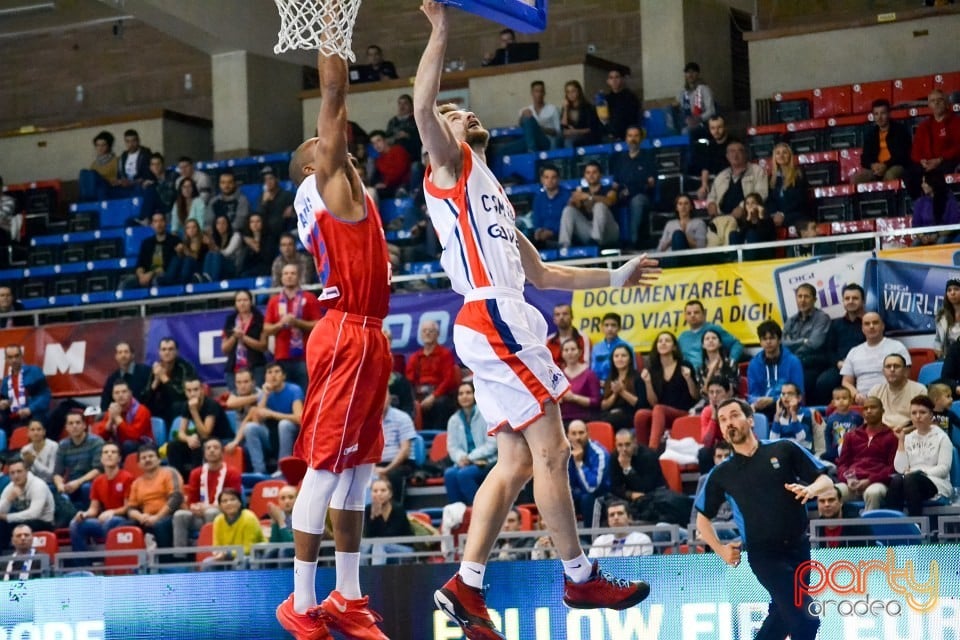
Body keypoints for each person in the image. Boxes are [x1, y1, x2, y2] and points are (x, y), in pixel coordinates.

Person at [415, 3, 656, 635]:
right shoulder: (449, 169)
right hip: (493, 315)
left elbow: (545, 275)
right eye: (452, 112)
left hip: (494, 315)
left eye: (460, 112)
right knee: (551, 454)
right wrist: (441, 30)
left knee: (517, 463)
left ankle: (466, 586)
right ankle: (580, 579)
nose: (462, 114)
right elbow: (421, 109)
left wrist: (613, 277)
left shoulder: (489, 191)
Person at [274, 42, 394, 640]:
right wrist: (331, 33)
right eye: (321, 146)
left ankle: (347, 595)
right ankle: (300, 600)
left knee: (358, 471)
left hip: (367, 334)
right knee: (325, 468)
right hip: (346, 331)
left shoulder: (344, 194)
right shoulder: (328, 188)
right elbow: (334, 97)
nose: (334, 146)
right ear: (310, 168)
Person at [695, 399, 832, 640]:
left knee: (781, 618)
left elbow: (826, 480)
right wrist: (721, 550)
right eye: (723, 419)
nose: (729, 423)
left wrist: (811, 490)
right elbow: (702, 520)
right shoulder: (722, 474)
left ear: (750, 420)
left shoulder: (783, 448)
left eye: (734, 415)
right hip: (765, 555)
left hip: (800, 548)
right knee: (806, 619)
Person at [889, 395, 954, 516]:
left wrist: (920, 473)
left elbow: (944, 469)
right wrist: (901, 442)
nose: (918, 416)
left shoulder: (942, 438)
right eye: (914, 413)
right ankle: (894, 527)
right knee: (896, 480)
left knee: (910, 479)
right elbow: (900, 468)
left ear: (931, 415)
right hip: (911, 480)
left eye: (922, 412)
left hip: (936, 482)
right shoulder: (908, 438)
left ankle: (916, 525)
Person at [172, 439, 242, 552]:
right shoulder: (196, 473)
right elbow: (191, 501)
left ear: (222, 452)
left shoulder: (232, 472)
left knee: (211, 512)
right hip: (200, 515)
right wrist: (195, 507)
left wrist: (209, 507)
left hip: (224, 515)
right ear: (204, 453)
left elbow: (234, 502)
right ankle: (180, 558)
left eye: (215, 447)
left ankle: (212, 553)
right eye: (208, 448)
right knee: (180, 515)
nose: (211, 450)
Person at [263, 263, 321, 394]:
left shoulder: (309, 298)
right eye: (286, 274)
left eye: (293, 273)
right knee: (284, 393)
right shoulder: (274, 301)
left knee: (307, 393)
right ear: (281, 277)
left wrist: (297, 322)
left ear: (298, 276)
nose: (289, 276)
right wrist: (280, 324)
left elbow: (318, 325)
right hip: (282, 356)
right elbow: (266, 329)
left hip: (305, 357)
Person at [635, 332, 698, 449]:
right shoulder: (653, 370)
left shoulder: (684, 366)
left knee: (659, 409)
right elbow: (653, 403)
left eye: (667, 341)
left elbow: (695, 396)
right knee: (641, 414)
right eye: (660, 341)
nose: (663, 343)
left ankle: (652, 451)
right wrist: (648, 383)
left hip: (682, 412)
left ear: (674, 347)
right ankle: (641, 451)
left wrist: (689, 379)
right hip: (660, 414)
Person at [69, 443, 133, 555]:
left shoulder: (127, 477)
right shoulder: (98, 481)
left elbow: (128, 508)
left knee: (110, 521)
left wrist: (112, 512)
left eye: (113, 452)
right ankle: (82, 566)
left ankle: (111, 561)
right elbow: (93, 509)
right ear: (101, 459)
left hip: (123, 519)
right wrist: (84, 514)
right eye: (106, 452)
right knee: (75, 524)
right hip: (104, 519)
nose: (109, 455)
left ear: (119, 458)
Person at [834, 397, 896, 511]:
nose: (868, 411)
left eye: (873, 407)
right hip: (852, 483)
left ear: (882, 411)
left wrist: (870, 480)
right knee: (833, 492)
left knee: (873, 493)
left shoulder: (891, 437)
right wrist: (847, 478)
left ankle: (870, 528)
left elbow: (892, 468)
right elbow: (842, 464)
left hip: (877, 482)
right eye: (866, 408)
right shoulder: (851, 436)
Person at [165, 377, 233, 477]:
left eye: (196, 390)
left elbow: (205, 434)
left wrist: (194, 411)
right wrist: (188, 439)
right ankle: (178, 479)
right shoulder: (186, 405)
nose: (192, 394)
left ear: (202, 389)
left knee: (198, 445)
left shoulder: (211, 404)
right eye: (189, 390)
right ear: (185, 392)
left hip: (222, 439)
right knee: (173, 446)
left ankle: (196, 478)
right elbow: (180, 433)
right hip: (203, 440)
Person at [444, 382, 497, 506]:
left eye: (468, 393)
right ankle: (458, 515)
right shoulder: (454, 420)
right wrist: (461, 458)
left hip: (488, 461)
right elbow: (452, 447)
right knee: (450, 474)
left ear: (475, 395)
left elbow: (492, 444)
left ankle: (481, 509)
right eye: (461, 394)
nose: (464, 396)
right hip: (464, 462)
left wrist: (470, 457)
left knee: (464, 475)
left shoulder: (486, 414)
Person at [839, 312, 910, 404]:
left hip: (891, 400)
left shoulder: (897, 347)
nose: (871, 326)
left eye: (875, 323)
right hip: (863, 403)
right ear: (862, 328)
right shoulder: (854, 352)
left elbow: (905, 376)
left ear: (882, 326)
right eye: (867, 324)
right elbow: (846, 382)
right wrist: (856, 395)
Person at [815, 283, 866, 404]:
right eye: (847, 298)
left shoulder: (870, 322)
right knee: (823, 382)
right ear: (843, 301)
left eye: (855, 298)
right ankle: (828, 416)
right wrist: (838, 363)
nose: (851, 301)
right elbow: (829, 350)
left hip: (862, 366)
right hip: (840, 366)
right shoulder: (836, 324)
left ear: (863, 301)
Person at [405, 320, 461, 430]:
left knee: (441, 403)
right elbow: (409, 380)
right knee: (408, 405)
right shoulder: (415, 357)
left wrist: (433, 396)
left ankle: (438, 439)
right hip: (419, 394)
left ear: (437, 334)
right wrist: (414, 399)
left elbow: (448, 380)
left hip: (439, 395)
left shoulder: (445, 354)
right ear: (421, 335)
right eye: (424, 331)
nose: (427, 333)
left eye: (431, 331)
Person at [125, 444, 182, 550]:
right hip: (146, 518)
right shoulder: (137, 483)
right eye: (143, 458)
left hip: (170, 516)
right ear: (138, 464)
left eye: (151, 456)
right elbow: (131, 508)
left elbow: (176, 498)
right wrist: (141, 517)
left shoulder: (169, 473)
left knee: (159, 526)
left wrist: (157, 517)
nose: (147, 460)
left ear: (159, 460)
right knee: (123, 527)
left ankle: (165, 563)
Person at [782, 283, 831, 404]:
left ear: (814, 299)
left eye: (806, 296)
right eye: (799, 296)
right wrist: (803, 341)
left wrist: (792, 345)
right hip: (793, 362)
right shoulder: (791, 320)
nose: (802, 300)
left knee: (802, 383)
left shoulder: (822, 318)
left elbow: (814, 343)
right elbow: (782, 343)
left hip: (812, 363)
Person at [746, 320, 805, 419]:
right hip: (762, 409)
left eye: (772, 338)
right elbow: (752, 394)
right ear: (760, 342)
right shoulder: (754, 364)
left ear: (779, 340)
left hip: (789, 408)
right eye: (764, 339)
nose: (768, 342)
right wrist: (756, 401)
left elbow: (799, 394)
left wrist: (773, 400)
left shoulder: (793, 362)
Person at [908, 89, 960, 199]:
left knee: (936, 175)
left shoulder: (956, 122)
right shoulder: (924, 126)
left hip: (947, 162)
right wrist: (922, 161)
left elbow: (958, 147)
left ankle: (941, 206)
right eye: (932, 101)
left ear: (946, 104)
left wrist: (940, 160)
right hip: (927, 164)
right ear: (929, 105)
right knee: (909, 174)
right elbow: (915, 152)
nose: (936, 103)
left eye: (939, 100)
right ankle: (919, 205)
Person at [610, 125, 655, 248]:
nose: (633, 139)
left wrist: (631, 190)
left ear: (641, 138)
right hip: (622, 195)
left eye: (636, 136)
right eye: (630, 136)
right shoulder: (619, 160)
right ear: (626, 139)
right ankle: (613, 243)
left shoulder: (648, 157)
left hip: (642, 196)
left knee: (637, 201)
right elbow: (615, 184)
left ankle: (634, 242)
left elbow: (650, 184)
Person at [558, 161, 619, 249]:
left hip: (609, 232)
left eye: (594, 172)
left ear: (600, 175)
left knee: (599, 206)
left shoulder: (609, 189)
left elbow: (610, 201)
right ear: (584, 176)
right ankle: (564, 246)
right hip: (589, 232)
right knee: (568, 210)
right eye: (588, 172)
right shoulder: (581, 192)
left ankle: (596, 240)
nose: (591, 175)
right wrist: (574, 201)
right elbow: (570, 208)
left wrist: (589, 197)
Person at [0, 458, 55, 550]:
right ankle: (4, 560)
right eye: (12, 473)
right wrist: (9, 499)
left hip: (43, 522)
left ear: (26, 471)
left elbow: (33, 514)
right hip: (20, 522)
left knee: (9, 524)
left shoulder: (38, 485)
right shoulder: (10, 487)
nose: (16, 476)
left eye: (19, 471)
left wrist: (7, 517)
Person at [852, 99, 911, 185]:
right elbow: (864, 158)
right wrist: (872, 165)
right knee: (856, 178)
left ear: (889, 114)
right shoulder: (871, 134)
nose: (879, 117)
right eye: (876, 114)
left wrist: (885, 165)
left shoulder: (900, 131)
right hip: (876, 168)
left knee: (890, 175)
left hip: (895, 166)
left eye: (882, 113)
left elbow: (903, 155)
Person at [53, 411, 104, 510]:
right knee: (52, 489)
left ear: (84, 425)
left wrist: (78, 482)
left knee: (86, 488)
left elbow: (98, 470)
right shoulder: (63, 445)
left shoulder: (96, 442)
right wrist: (60, 485)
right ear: (66, 427)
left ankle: (89, 515)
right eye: (71, 424)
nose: (74, 426)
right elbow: (57, 473)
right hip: (72, 482)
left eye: (78, 423)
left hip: (90, 480)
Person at [706, 141, 768, 220]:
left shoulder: (757, 171)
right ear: (727, 156)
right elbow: (711, 196)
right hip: (722, 218)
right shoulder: (721, 175)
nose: (735, 155)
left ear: (745, 154)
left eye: (740, 151)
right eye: (732, 151)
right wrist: (711, 203)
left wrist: (743, 207)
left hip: (747, 218)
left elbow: (761, 194)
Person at [92, 380, 154, 457]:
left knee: (127, 445)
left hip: (143, 446)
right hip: (120, 445)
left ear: (130, 394)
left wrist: (118, 419)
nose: (120, 395)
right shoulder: (112, 410)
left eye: (124, 392)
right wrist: (110, 421)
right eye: (117, 393)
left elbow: (134, 436)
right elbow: (100, 437)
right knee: (101, 446)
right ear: (113, 396)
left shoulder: (142, 410)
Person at [221, 289, 268, 390]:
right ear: (235, 303)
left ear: (251, 302)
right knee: (236, 400)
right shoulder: (230, 320)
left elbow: (263, 346)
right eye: (239, 300)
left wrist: (243, 337)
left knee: (257, 397)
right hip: (233, 368)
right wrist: (234, 336)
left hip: (256, 367)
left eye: (245, 300)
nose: (242, 303)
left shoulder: (260, 319)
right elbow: (224, 349)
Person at [143, 337, 196, 427]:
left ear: (176, 352)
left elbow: (181, 396)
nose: (167, 352)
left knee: (177, 405)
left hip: (181, 408)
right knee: (144, 408)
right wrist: (156, 381)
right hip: (161, 408)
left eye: (170, 349)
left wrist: (164, 378)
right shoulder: (155, 368)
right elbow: (145, 398)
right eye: (163, 349)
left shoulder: (185, 367)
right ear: (159, 352)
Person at [375, 388, 417, 500]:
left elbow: (405, 451)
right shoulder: (370, 421)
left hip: (401, 464)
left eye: (383, 396)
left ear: (389, 398)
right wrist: (372, 469)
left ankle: (395, 510)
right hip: (377, 465)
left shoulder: (402, 418)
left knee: (393, 475)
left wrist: (386, 470)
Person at [205, 487, 265, 565]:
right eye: (224, 501)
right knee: (207, 563)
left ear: (240, 503)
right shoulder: (218, 520)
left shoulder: (249, 517)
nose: (229, 503)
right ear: (220, 506)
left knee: (240, 562)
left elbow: (248, 548)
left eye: (233, 499)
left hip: (252, 555)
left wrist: (228, 554)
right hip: (227, 556)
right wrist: (218, 554)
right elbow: (217, 546)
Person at [1, 345, 50, 438]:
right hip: (13, 419)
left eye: (16, 356)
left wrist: (30, 409)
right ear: (6, 360)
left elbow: (45, 396)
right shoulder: (5, 381)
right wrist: (4, 404)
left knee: (35, 425)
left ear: (21, 356)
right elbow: (4, 402)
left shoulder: (34, 372)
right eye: (10, 357)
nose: (14, 360)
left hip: (34, 416)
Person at [565, 419, 610, 523]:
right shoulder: (563, 453)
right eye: (574, 434)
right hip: (575, 495)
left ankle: (589, 538)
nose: (578, 437)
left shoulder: (599, 454)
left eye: (581, 433)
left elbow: (592, 488)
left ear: (588, 433)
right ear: (568, 435)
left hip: (599, 497)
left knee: (587, 499)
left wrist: (579, 463)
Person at [677, 299, 743, 369]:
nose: (692, 315)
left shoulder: (713, 330)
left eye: (696, 312)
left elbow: (736, 344)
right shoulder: (682, 337)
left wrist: (731, 361)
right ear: (685, 316)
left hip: (713, 373)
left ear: (704, 314)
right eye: (689, 313)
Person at [868, 354, 926, 429]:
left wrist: (902, 432)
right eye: (888, 366)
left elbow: (922, 420)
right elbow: (868, 420)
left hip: (909, 434)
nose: (892, 369)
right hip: (880, 435)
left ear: (905, 370)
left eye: (896, 366)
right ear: (883, 371)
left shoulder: (919, 390)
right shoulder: (875, 391)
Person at [363, 478, 413, 566]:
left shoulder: (398, 509)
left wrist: (378, 517)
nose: (379, 494)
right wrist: (372, 518)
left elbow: (392, 535)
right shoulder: (368, 510)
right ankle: (360, 576)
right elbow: (368, 536)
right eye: (375, 491)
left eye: (383, 490)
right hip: (377, 549)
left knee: (379, 544)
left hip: (403, 549)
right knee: (363, 547)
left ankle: (376, 576)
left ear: (390, 494)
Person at [124, 211, 180, 289]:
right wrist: (141, 276)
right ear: (152, 225)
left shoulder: (174, 241)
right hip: (146, 276)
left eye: (161, 221)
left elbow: (169, 266)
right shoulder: (146, 243)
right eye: (156, 221)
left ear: (165, 223)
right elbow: (140, 264)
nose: (159, 224)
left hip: (164, 276)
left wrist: (151, 274)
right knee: (127, 283)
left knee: (156, 281)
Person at [503, 80, 560, 154]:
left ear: (544, 93)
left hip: (546, 141)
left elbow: (558, 132)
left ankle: (532, 152)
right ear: (532, 93)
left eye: (541, 91)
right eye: (536, 91)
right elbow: (521, 125)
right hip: (530, 140)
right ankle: (532, 150)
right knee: (502, 151)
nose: (539, 94)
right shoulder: (525, 110)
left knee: (528, 119)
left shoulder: (553, 109)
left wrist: (539, 129)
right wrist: (522, 116)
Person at [765, 143, 809, 232]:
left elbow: (800, 199)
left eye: (784, 152)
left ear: (790, 155)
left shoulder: (799, 174)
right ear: (774, 157)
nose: (781, 155)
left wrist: (783, 214)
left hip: (795, 213)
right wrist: (775, 214)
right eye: (778, 153)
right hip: (776, 216)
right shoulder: (771, 178)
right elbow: (770, 200)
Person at [600, 345, 645, 433]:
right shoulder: (610, 378)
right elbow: (604, 406)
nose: (620, 359)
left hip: (630, 414)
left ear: (630, 359)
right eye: (616, 356)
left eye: (623, 356)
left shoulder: (637, 378)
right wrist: (615, 394)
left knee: (611, 419)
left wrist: (622, 392)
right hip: (611, 413)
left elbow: (641, 404)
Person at [588, 499, 653, 557]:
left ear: (630, 518)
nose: (616, 517)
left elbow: (639, 567)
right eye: (612, 515)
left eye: (620, 513)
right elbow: (592, 567)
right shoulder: (600, 541)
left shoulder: (642, 540)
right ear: (608, 521)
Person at [557, 338, 601, 424]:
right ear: (562, 354)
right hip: (563, 420)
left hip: (585, 420)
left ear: (580, 352)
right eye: (566, 350)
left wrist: (574, 398)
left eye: (573, 349)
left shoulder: (589, 374)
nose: (570, 353)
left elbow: (596, 401)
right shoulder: (559, 375)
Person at [100, 342, 151, 412]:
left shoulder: (146, 372)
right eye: (120, 353)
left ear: (132, 355)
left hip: (143, 415)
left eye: (126, 352)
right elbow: (105, 404)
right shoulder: (112, 379)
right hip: (120, 417)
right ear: (116, 357)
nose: (123, 355)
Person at [770, 383, 821, 452]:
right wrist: (777, 415)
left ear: (799, 398)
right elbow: (772, 440)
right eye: (783, 394)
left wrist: (793, 413)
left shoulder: (808, 413)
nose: (786, 396)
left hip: (804, 454)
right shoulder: (779, 416)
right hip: (784, 454)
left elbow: (801, 438)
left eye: (790, 394)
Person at [690, 116, 731, 200]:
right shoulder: (710, 145)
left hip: (733, 178)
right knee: (701, 194)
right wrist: (704, 185)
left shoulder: (734, 143)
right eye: (713, 128)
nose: (716, 131)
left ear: (725, 127)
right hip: (718, 180)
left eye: (719, 127)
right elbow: (706, 167)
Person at [911, 172, 960, 243]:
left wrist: (937, 235)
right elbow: (915, 224)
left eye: (925, 182)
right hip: (925, 235)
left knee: (941, 241)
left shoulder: (950, 201)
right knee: (915, 243)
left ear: (933, 183)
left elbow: (954, 224)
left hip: (945, 234)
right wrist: (922, 237)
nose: (922, 185)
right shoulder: (920, 202)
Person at [529, 165, 569, 248]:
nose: (550, 180)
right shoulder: (538, 198)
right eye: (546, 177)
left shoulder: (567, 196)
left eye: (553, 177)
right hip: (542, 236)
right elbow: (536, 218)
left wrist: (552, 232)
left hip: (560, 234)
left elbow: (568, 220)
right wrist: (538, 231)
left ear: (558, 179)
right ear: (542, 179)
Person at [821, 387, 863, 463]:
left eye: (844, 398)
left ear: (850, 401)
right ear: (833, 402)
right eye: (837, 399)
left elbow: (862, 433)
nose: (841, 401)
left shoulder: (857, 416)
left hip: (853, 450)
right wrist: (830, 450)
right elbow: (827, 435)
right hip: (836, 451)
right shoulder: (831, 418)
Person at [590, 312, 634, 382]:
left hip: (622, 384)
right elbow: (593, 371)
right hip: (600, 386)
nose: (610, 329)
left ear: (619, 328)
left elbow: (632, 371)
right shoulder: (596, 348)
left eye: (613, 325)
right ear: (602, 328)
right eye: (606, 325)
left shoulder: (627, 346)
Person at [545, 303, 591, 369]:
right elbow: (547, 365)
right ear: (554, 319)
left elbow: (586, 364)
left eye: (565, 314)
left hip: (578, 377)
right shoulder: (548, 341)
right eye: (557, 315)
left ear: (572, 317)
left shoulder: (583, 338)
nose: (561, 317)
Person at [369, 129, 412, 199]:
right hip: (390, 187)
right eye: (373, 143)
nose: (376, 145)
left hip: (404, 185)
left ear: (385, 140)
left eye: (378, 141)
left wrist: (385, 183)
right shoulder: (378, 160)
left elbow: (400, 171)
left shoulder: (398, 150)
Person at [78, 130, 119, 202]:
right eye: (98, 145)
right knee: (83, 172)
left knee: (93, 174)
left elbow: (119, 178)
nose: (100, 148)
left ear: (109, 146)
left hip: (109, 187)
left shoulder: (116, 160)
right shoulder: (94, 164)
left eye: (103, 145)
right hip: (95, 190)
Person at [560, 80, 602, 148]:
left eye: (573, 91)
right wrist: (565, 109)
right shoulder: (566, 108)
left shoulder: (588, 107)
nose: (571, 94)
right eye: (568, 92)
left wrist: (574, 131)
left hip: (585, 136)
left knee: (569, 141)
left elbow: (591, 128)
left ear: (579, 91)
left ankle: (571, 158)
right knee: (556, 139)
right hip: (570, 135)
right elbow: (563, 127)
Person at [201, 214, 244, 282]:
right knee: (209, 254)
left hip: (233, 268)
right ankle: (206, 278)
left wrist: (211, 243)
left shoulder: (236, 236)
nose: (221, 226)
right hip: (221, 268)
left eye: (223, 223)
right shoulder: (215, 238)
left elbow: (227, 253)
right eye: (218, 223)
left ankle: (213, 281)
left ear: (228, 224)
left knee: (216, 255)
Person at [677, 62, 715, 134]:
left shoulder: (704, 89)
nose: (690, 75)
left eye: (693, 72)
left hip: (702, 123)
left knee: (686, 131)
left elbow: (711, 111)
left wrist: (698, 118)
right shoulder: (683, 92)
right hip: (686, 122)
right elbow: (682, 109)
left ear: (698, 74)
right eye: (688, 72)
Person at [259, 166, 296, 238]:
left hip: (285, 232)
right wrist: (264, 203)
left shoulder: (288, 196)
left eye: (271, 179)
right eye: (265, 180)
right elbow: (259, 217)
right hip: (267, 234)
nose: (268, 182)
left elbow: (290, 216)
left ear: (277, 180)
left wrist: (292, 210)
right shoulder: (262, 198)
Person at [935, 277, 960, 359]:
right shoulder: (941, 316)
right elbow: (938, 339)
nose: (952, 293)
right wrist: (938, 351)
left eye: (956, 289)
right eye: (949, 290)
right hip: (947, 360)